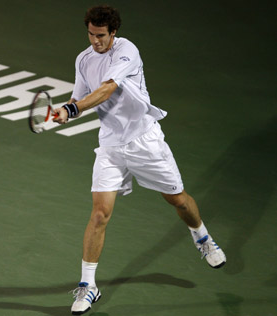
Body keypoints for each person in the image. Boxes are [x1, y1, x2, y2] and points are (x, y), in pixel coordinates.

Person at [52, 5, 226, 315]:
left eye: (101, 36)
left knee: (179, 201)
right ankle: (88, 285)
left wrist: (74, 111)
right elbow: (78, 98)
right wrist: (64, 110)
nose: (95, 42)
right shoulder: (83, 59)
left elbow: (106, 90)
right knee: (99, 214)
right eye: (91, 35)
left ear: (113, 32)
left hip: (145, 141)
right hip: (110, 145)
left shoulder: (126, 50)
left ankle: (201, 236)